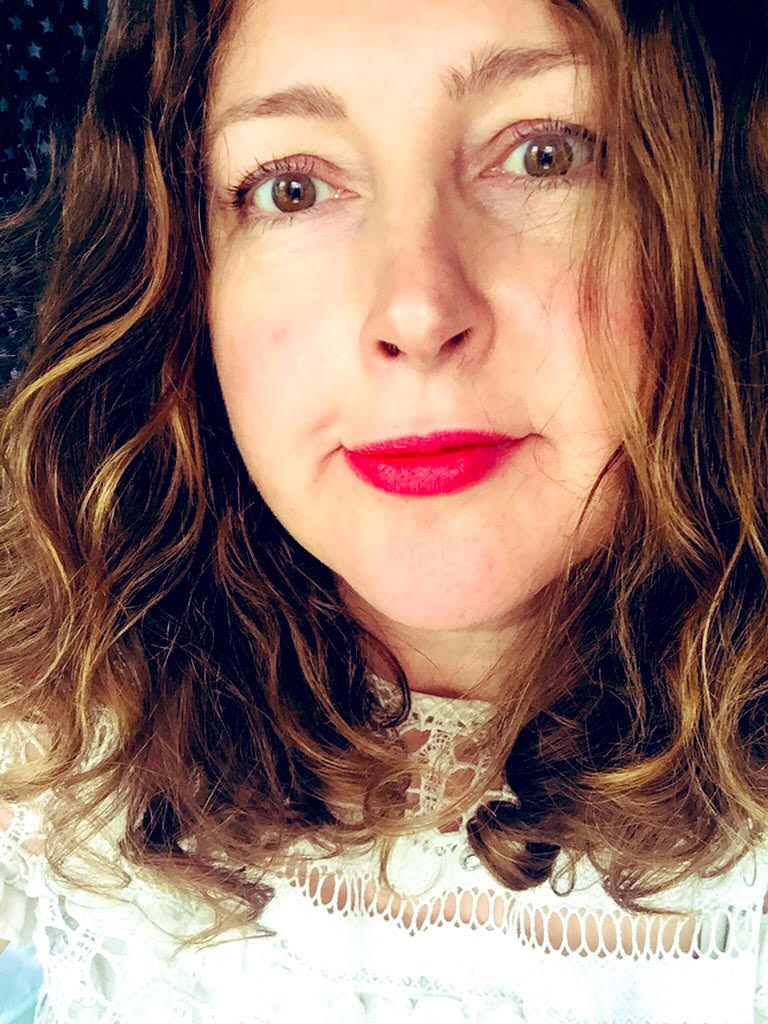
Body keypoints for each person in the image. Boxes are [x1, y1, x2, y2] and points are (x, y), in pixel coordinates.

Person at [0, 0, 767, 1020]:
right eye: (293, 187)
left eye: (544, 155)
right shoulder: (46, 772)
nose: (416, 309)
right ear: (182, 276)